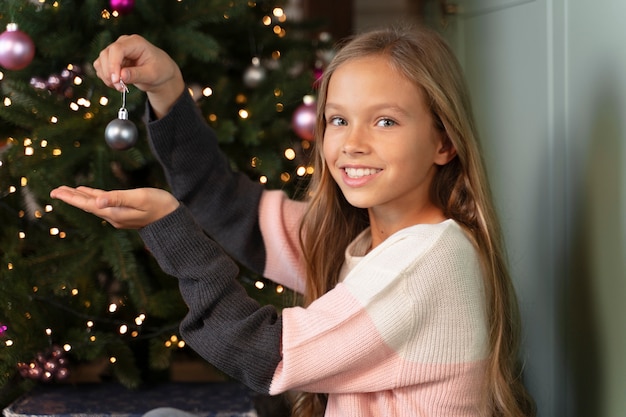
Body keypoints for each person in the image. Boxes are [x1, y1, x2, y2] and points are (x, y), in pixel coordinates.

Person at [50, 26, 536, 417]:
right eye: (338, 120)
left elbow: (261, 353)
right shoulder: (366, 238)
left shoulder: (425, 262)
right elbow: (228, 206)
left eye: (385, 121)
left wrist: (169, 226)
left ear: (443, 143)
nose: (353, 143)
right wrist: (166, 88)